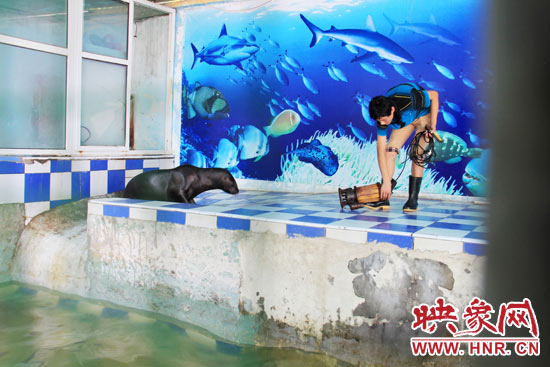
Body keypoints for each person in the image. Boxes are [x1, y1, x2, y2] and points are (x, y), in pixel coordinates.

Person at [367, 82, 439, 211]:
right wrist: (386, 183)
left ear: (392, 110)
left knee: (417, 155)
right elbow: (380, 150)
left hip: (422, 116)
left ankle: (413, 200)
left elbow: (434, 95)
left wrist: (433, 124)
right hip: (404, 120)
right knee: (390, 151)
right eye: (379, 121)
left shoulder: (411, 99)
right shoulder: (381, 114)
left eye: (384, 119)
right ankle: (384, 198)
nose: (382, 123)